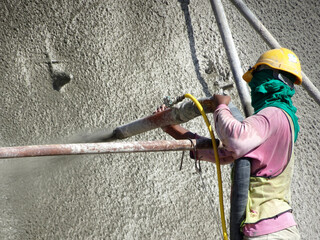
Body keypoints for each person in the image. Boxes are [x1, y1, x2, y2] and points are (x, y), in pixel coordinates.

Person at [155, 48, 301, 239]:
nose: (254, 86)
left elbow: (235, 139)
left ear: (273, 75)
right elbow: (224, 153)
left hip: (268, 232)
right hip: (275, 228)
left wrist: (221, 106)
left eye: (257, 76)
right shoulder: (282, 122)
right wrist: (171, 129)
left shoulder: (274, 114)